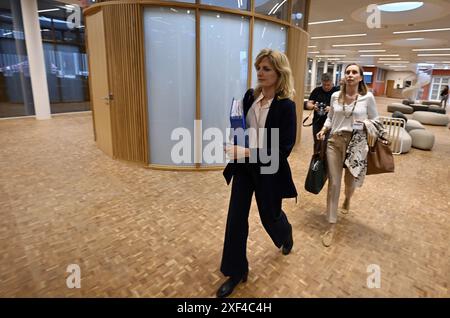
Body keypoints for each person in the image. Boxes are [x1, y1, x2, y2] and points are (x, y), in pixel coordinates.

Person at [217, 49, 297, 298]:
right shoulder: (250, 96)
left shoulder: (286, 106)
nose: (260, 73)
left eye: (267, 69)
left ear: (279, 73)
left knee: (270, 216)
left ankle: (286, 234)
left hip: (268, 168)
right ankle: (236, 271)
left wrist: (247, 151)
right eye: (258, 68)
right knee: (236, 218)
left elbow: (283, 148)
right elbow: (241, 126)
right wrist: (235, 144)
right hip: (244, 168)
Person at [316, 63, 379, 247]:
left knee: (349, 182)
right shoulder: (335, 96)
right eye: (348, 72)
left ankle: (348, 198)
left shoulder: (367, 98)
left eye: (354, 72)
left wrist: (365, 123)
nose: (350, 75)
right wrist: (324, 128)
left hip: (356, 144)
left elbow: (376, 121)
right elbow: (330, 117)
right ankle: (331, 224)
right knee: (334, 183)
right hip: (335, 141)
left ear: (360, 77)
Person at [306, 73, 339, 148]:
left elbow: (343, 107)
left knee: (329, 144)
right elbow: (308, 104)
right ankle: (316, 158)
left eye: (328, 85)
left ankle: (326, 159)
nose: (326, 87)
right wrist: (314, 106)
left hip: (332, 122)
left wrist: (331, 109)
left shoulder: (337, 92)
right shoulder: (317, 90)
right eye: (324, 85)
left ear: (332, 82)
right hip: (317, 121)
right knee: (317, 142)